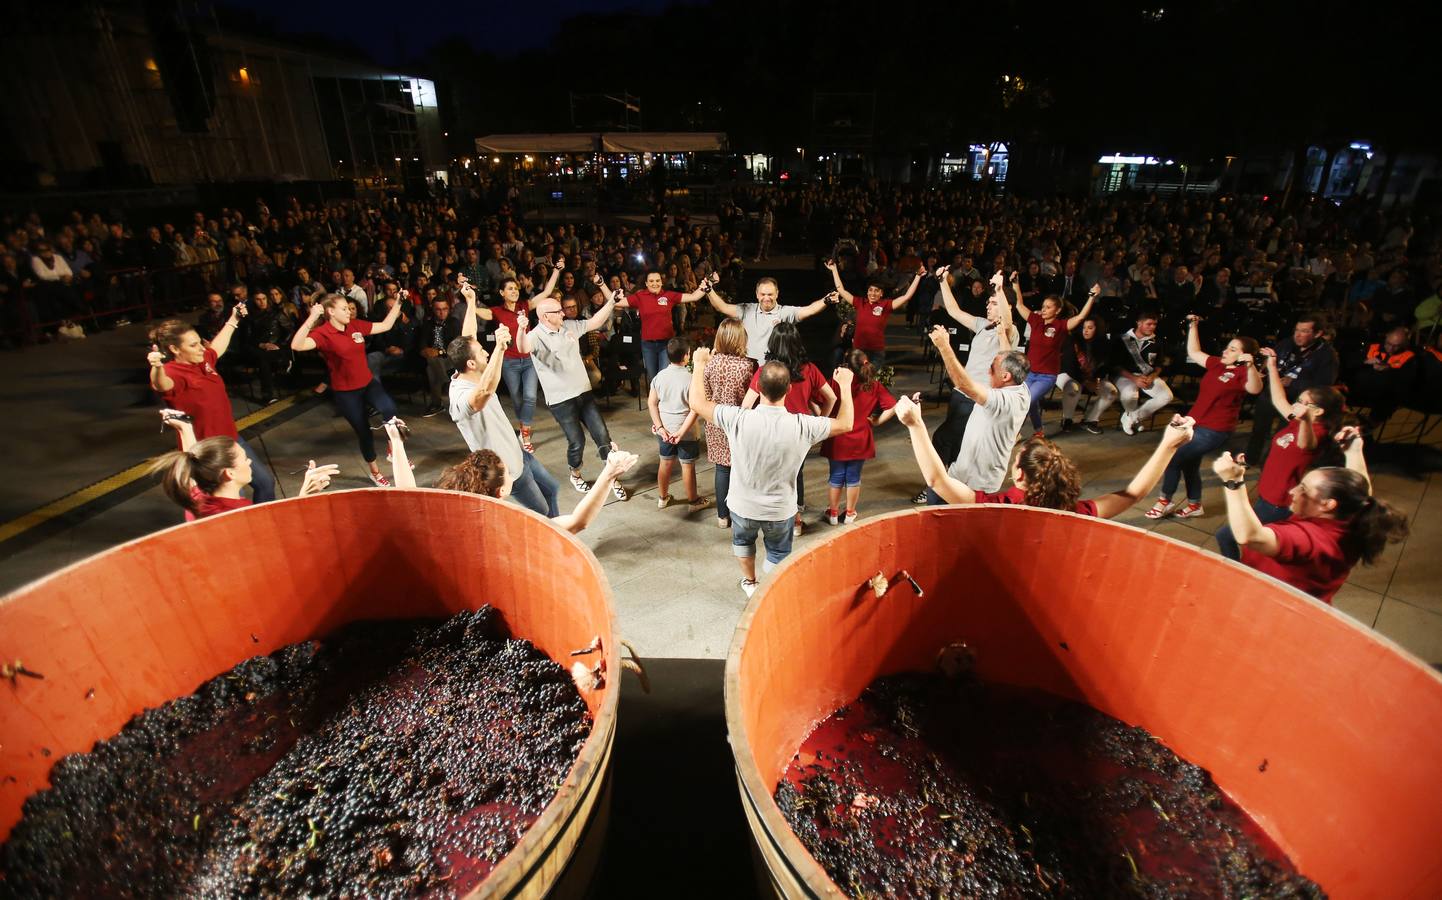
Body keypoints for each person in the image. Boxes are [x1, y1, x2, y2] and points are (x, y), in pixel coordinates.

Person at [687, 348, 855, 598]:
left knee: (743, 543)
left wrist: (699, 364)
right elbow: (846, 424)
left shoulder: (738, 419)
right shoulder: (803, 425)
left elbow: (697, 403)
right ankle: (772, 590)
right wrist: (846, 385)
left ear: (759, 388)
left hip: (742, 506)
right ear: (789, 390)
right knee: (778, 553)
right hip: (780, 510)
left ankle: (750, 582)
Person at [897, 395, 1198, 518]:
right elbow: (1133, 494)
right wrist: (1169, 445)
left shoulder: (999, 507)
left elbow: (937, 479)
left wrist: (915, 424)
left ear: (1019, 475)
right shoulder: (1075, 512)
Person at [1211, 432, 1408, 604]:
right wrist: (1353, 451)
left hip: (1269, 607)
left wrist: (1233, 481)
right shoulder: (1355, 514)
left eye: (1303, 489)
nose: (1293, 490)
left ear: (1328, 504)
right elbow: (1360, 491)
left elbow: (1250, 536)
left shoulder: (1309, 539)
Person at [387, 421, 636, 536]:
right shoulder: (504, 526)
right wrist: (609, 472)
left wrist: (397, 444)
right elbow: (577, 522)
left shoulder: (446, 508)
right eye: (508, 473)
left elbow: (405, 493)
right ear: (501, 492)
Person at [1213, 367, 1345, 560]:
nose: (1295, 404)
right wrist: (1272, 365)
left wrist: (1306, 419)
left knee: (1226, 536)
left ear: (1317, 411)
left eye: (1302, 402)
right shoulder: (1297, 422)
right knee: (1259, 545)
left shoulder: (1316, 431)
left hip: (1278, 503)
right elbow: (1278, 399)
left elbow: (1305, 444)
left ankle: (1234, 570)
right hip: (1268, 496)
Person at [147, 312, 278, 504]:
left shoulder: (203, 360)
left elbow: (216, 347)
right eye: (193, 345)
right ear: (175, 349)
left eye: (199, 342)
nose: (201, 348)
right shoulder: (172, 372)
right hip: (209, 452)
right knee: (233, 500)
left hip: (232, 439)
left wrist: (233, 320)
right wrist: (157, 366)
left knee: (265, 483)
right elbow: (161, 384)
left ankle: (263, 521)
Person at [914, 266, 1020, 502]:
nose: (988, 306)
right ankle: (949, 488)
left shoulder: (1010, 333)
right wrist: (943, 281)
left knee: (944, 439)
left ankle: (935, 488)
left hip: (977, 398)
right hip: (960, 392)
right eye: (989, 303)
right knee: (955, 443)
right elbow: (953, 310)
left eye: (993, 303)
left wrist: (1000, 290)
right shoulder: (983, 325)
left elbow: (1008, 319)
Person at [518, 287, 630, 500]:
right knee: (577, 441)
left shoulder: (568, 326)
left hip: (584, 393)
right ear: (544, 317)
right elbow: (523, 348)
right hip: (561, 400)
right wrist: (520, 330)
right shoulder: (535, 336)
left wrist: (611, 302)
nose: (563, 313)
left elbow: (595, 322)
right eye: (558, 311)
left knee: (602, 435)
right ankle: (575, 474)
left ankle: (612, 478)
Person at [1145, 316, 1262, 520]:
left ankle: (1165, 501)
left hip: (1215, 430)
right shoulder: (1218, 365)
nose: (1226, 351)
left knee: (1174, 457)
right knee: (1190, 464)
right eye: (1228, 347)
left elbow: (1255, 388)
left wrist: (1251, 367)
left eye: (1233, 349)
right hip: (1195, 424)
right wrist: (1193, 326)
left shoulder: (1244, 373)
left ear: (1246, 356)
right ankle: (1194, 504)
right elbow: (1194, 352)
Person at [290, 293, 405, 486]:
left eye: (349, 308)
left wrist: (399, 302)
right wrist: (311, 318)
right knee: (364, 433)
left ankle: (392, 449)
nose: (349, 311)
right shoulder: (323, 333)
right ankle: (375, 472)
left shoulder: (355, 325)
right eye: (344, 309)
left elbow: (385, 325)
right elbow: (297, 345)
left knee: (390, 411)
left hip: (367, 383)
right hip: (346, 392)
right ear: (331, 312)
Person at [740, 322, 838, 535]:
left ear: (773, 343)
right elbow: (831, 396)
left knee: (768, 472)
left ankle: (767, 516)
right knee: (795, 475)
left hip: (768, 430)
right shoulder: (809, 369)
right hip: (798, 432)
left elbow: (746, 406)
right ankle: (796, 521)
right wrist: (821, 420)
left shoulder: (767, 371)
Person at [151, 413, 334, 519]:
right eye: (244, 458)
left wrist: (185, 428)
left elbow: (192, 463)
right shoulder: (237, 516)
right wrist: (304, 497)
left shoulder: (197, 496)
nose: (250, 462)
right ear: (229, 473)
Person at [926, 325, 1031, 504]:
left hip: (976, 484)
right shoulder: (1020, 385)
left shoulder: (1003, 400)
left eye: (992, 367)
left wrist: (944, 347)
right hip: (962, 472)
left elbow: (962, 384)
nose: (987, 371)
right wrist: (1000, 333)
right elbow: (1006, 353)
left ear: (1005, 376)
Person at [464, 263, 562, 452]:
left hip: (529, 358)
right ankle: (524, 426)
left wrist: (556, 270)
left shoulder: (525, 305)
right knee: (517, 399)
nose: (514, 291)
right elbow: (475, 312)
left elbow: (547, 291)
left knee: (531, 396)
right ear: (502, 293)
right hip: (509, 361)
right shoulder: (496, 311)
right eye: (510, 288)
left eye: (516, 288)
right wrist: (469, 299)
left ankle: (525, 432)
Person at [1244, 314, 1338, 465]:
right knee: (1258, 430)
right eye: (1296, 330)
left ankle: (1269, 463)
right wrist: (1264, 371)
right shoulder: (1286, 343)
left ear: (1318, 333)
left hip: (1296, 401)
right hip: (1272, 394)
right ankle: (1250, 459)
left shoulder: (1327, 355)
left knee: (1282, 435)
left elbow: (1324, 386)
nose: (1298, 335)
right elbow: (1272, 362)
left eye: (1304, 331)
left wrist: (1294, 382)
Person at [820, 349, 897, 525]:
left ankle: (832, 513)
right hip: (861, 438)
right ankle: (849, 513)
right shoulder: (873, 385)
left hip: (837, 437)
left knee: (836, 475)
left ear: (846, 365)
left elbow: (822, 400)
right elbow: (892, 406)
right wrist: (876, 421)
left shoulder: (836, 382)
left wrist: (824, 420)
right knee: (854, 477)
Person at [1014, 277, 1098, 438]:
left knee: (1027, 401)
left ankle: (1016, 432)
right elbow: (1019, 304)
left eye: (1048, 307)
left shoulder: (1060, 326)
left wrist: (1092, 297)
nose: (1043, 309)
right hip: (1030, 373)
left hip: (1047, 376)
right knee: (1030, 402)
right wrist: (1016, 282)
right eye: (1043, 306)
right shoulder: (1036, 320)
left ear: (1057, 310)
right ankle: (1039, 431)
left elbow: (1080, 318)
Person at [700, 319, 757, 530]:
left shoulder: (710, 364)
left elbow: (704, 393)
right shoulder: (747, 366)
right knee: (740, 470)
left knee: (722, 470)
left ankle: (722, 517)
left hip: (715, 420)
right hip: (738, 423)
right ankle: (740, 513)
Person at [705, 276, 837, 363]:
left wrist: (826, 300)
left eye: (770, 294)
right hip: (748, 368)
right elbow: (721, 307)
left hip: (772, 371)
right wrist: (709, 290)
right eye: (763, 294)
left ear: (777, 294)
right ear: (757, 295)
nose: (766, 298)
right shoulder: (747, 310)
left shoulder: (784, 312)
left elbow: (810, 309)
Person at [647, 337, 712, 511]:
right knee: (687, 465)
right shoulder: (691, 379)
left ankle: (662, 497)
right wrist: (682, 432)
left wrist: (660, 427)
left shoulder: (659, 377)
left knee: (665, 463)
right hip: (687, 432)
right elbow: (694, 408)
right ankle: (693, 500)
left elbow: (652, 403)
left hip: (665, 431)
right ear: (686, 356)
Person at [823, 258, 924, 370]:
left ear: (881, 294)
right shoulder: (860, 303)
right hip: (858, 351)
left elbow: (906, 297)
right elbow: (841, 290)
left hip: (876, 352)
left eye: (876, 291)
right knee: (857, 382)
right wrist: (834, 270)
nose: (873, 293)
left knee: (871, 383)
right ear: (867, 292)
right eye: (870, 290)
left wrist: (918, 277)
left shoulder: (885, 305)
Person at [618, 272, 713, 380]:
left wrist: (709, 282)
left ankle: (663, 397)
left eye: (658, 280)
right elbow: (617, 302)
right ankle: (655, 397)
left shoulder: (669, 295)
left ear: (661, 282)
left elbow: (694, 296)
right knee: (653, 379)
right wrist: (601, 284)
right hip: (648, 345)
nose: (655, 283)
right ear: (646, 283)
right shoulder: (640, 296)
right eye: (651, 281)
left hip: (666, 344)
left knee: (664, 377)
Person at [1112, 309, 1174, 434]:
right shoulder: (1122, 339)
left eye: (1155, 324)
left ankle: (1132, 418)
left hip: (1147, 376)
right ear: (1139, 323)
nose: (1152, 327)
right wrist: (1134, 379)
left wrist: (1153, 376)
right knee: (1130, 395)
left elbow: (1159, 365)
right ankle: (1135, 421)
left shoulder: (1157, 342)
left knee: (1167, 396)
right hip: (1126, 376)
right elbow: (1115, 366)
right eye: (1149, 324)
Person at [1347, 326, 1418, 428]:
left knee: (1390, 396)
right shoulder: (1372, 347)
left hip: (1383, 396)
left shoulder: (1409, 357)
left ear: (1404, 344)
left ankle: (1369, 427)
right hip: (1360, 389)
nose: (1391, 348)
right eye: (1389, 343)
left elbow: (1408, 380)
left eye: (1396, 346)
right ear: (1386, 337)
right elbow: (1349, 363)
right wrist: (1365, 362)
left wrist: (1390, 370)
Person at [1057, 314, 1117, 434]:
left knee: (1111, 392)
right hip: (1067, 373)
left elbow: (1105, 365)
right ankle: (1067, 419)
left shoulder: (1104, 343)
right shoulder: (1072, 340)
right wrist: (1085, 382)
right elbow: (1070, 366)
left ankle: (1090, 420)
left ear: (1098, 329)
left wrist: (1097, 380)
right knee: (1074, 388)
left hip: (1091, 377)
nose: (1086, 331)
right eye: (1084, 327)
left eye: (1090, 328)